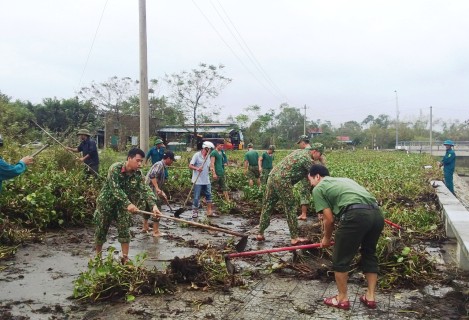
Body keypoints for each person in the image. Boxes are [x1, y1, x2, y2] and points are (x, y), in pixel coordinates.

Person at [308, 164, 384, 310]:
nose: (310, 184)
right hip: (376, 214)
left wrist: (326, 238)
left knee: (340, 258)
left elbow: (329, 220)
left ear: (317, 176)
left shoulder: (318, 188)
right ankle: (370, 297)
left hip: (355, 215)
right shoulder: (344, 180)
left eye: (310, 180)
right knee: (369, 253)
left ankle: (342, 299)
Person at [94, 148, 162, 264]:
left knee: (125, 230)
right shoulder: (115, 168)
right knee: (101, 230)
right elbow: (115, 189)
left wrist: (153, 206)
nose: (140, 164)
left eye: (141, 161)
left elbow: (145, 189)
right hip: (106, 203)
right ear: (129, 158)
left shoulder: (138, 174)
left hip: (123, 207)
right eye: (138, 160)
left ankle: (125, 258)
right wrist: (129, 203)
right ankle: (98, 257)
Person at [256, 144, 325, 245]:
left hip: (272, 176)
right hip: (282, 180)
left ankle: (260, 233)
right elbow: (318, 177)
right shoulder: (307, 160)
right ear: (315, 151)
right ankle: (294, 237)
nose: (320, 157)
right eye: (320, 154)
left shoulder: (299, 151)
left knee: (267, 205)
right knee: (290, 206)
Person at [143, 151, 176, 236]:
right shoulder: (159, 165)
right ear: (168, 159)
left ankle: (145, 227)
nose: (172, 162)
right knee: (157, 208)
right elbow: (152, 175)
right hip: (151, 190)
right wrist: (157, 188)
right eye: (172, 160)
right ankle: (156, 231)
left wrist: (161, 190)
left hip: (149, 189)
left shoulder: (161, 165)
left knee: (147, 208)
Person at [297, 138, 327, 221]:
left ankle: (304, 214)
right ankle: (320, 215)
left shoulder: (308, 153)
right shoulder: (319, 156)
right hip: (315, 179)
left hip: (310, 178)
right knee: (317, 195)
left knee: (305, 194)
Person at [189, 141, 217, 218]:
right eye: (209, 149)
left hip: (206, 180)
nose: (210, 151)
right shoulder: (197, 155)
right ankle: (195, 211)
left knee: (209, 195)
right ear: (205, 148)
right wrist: (197, 168)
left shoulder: (208, 157)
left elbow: (210, 166)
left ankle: (209, 211)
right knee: (196, 197)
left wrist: (213, 171)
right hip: (197, 180)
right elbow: (190, 165)